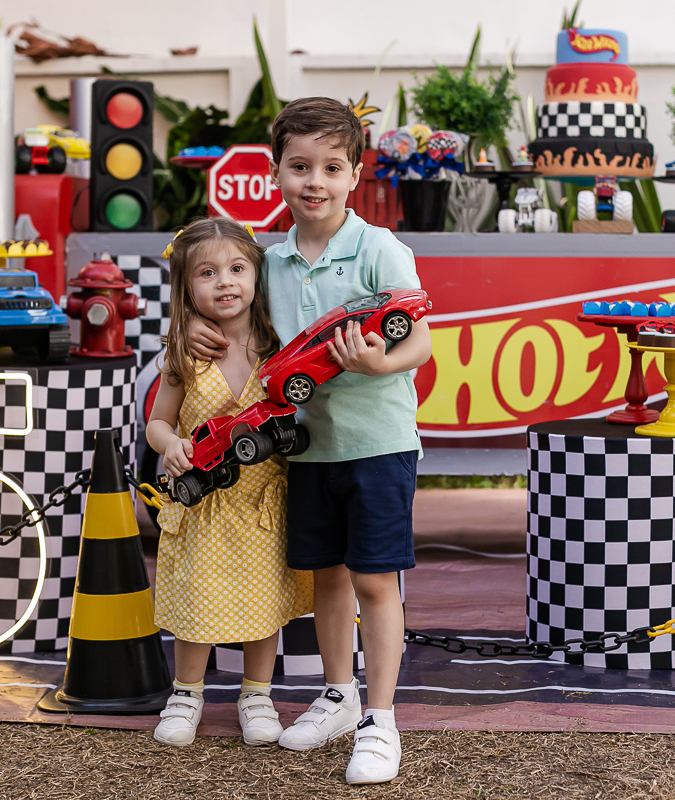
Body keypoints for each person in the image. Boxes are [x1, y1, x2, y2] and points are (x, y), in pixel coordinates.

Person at [186, 96, 431, 785]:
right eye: (299, 166)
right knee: (327, 576)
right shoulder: (270, 262)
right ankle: (338, 695)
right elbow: (246, 335)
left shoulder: (379, 247)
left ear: (356, 174)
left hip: (377, 442)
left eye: (330, 166)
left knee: (376, 579)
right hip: (306, 447)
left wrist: (377, 363)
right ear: (276, 173)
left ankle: (381, 719)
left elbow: (419, 339)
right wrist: (203, 335)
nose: (313, 181)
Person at [147, 217, 314, 749]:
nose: (225, 282)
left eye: (238, 268)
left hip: (263, 503)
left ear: (257, 275)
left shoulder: (277, 342)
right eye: (207, 273)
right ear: (185, 287)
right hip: (206, 505)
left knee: (262, 602)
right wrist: (169, 444)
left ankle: (256, 694)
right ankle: (186, 693)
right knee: (196, 600)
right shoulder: (186, 352)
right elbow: (157, 421)